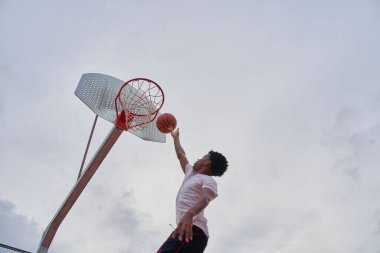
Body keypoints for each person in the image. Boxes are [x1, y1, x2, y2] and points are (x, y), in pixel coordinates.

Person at [156, 128, 228, 253]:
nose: (198, 158)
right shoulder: (191, 173)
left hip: (194, 230)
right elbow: (181, 155)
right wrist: (176, 138)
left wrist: (190, 214)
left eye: (202, 157)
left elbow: (206, 198)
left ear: (207, 162)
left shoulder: (208, 180)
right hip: (183, 228)